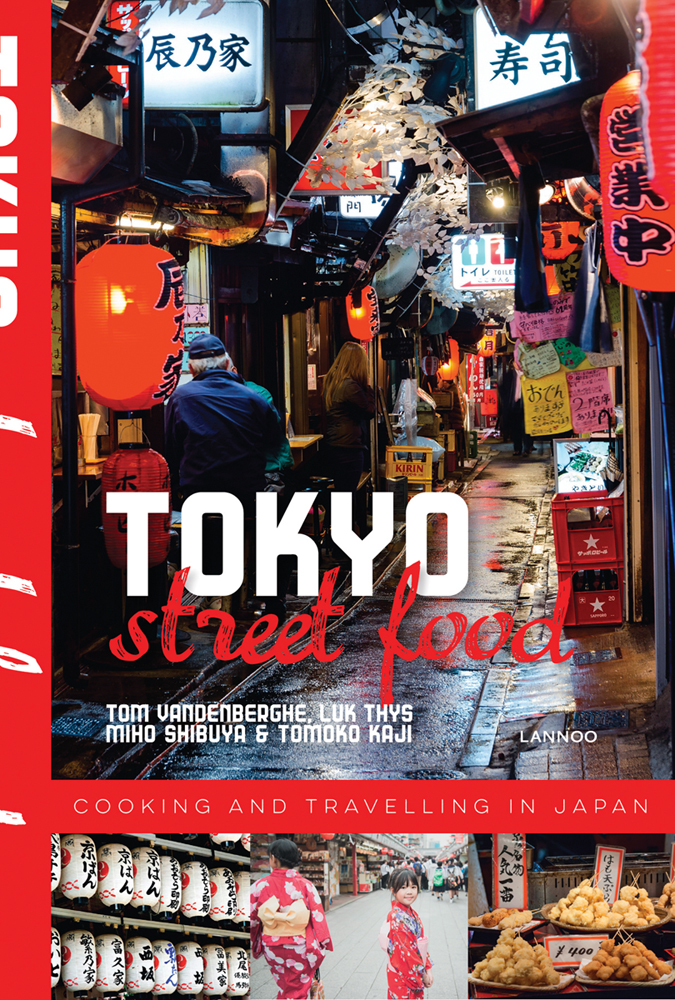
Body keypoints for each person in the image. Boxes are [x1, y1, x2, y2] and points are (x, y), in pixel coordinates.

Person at [164, 334, 282, 507]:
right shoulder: (254, 398)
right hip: (247, 497)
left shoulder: (179, 398)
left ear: (191, 368)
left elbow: (171, 452)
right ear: (227, 364)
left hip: (197, 497)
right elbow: (274, 440)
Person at [250, 838, 333, 1000]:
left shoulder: (259, 886)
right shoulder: (306, 885)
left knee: (285, 985)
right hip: (299, 946)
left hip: (272, 945)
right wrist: (322, 944)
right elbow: (318, 918)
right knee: (298, 987)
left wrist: (256, 943)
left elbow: (252, 920)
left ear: (273, 858)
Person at [323, 342, 375, 495]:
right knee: (347, 495)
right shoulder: (350, 386)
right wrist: (369, 388)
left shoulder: (332, 382)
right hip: (349, 449)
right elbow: (369, 411)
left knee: (342, 494)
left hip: (336, 445)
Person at [383, 868, 434, 999]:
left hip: (411, 968)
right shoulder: (398, 918)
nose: (409, 892)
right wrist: (423, 975)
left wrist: (428, 967)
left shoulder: (409, 912)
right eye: (404, 887)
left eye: (413, 887)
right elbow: (409, 952)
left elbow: (419, 943)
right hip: (403, 973)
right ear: (393, 890)